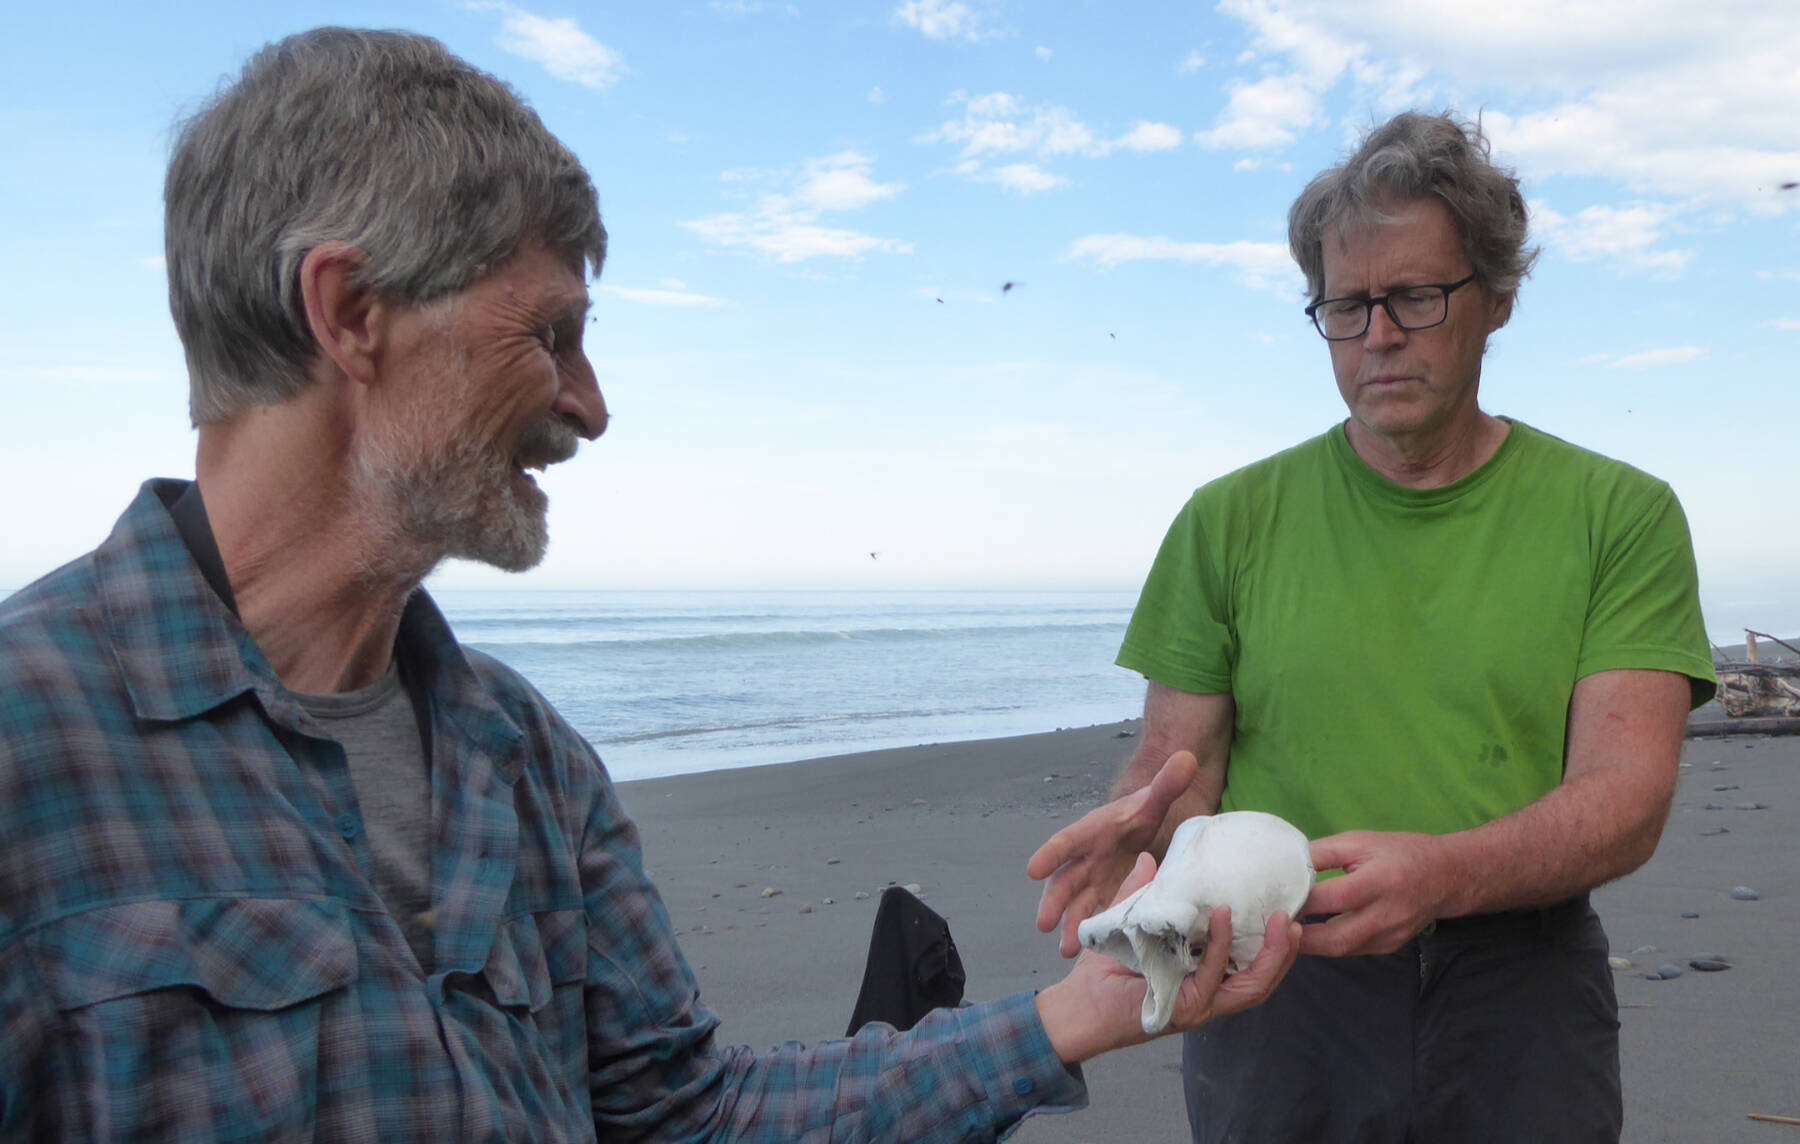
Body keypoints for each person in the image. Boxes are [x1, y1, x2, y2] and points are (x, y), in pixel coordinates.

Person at [0, 27, 1300, 1144]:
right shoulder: (31, 738)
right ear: (350, 313)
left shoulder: (524, 758)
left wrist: (1081, 1013)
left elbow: (691, 1117)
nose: (590, 406)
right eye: (547, 333)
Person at [1028, 110, 1716, 1143]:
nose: (1378, 334)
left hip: (1520, 986)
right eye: (1346, 305)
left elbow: (1626, 797)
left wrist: (1448, 873)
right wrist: (1142, 829)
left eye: (1414, 296)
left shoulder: (1619, 512)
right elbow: (1181, 766)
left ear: (1496, 299)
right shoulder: (1229, 520)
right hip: (1274, 980)